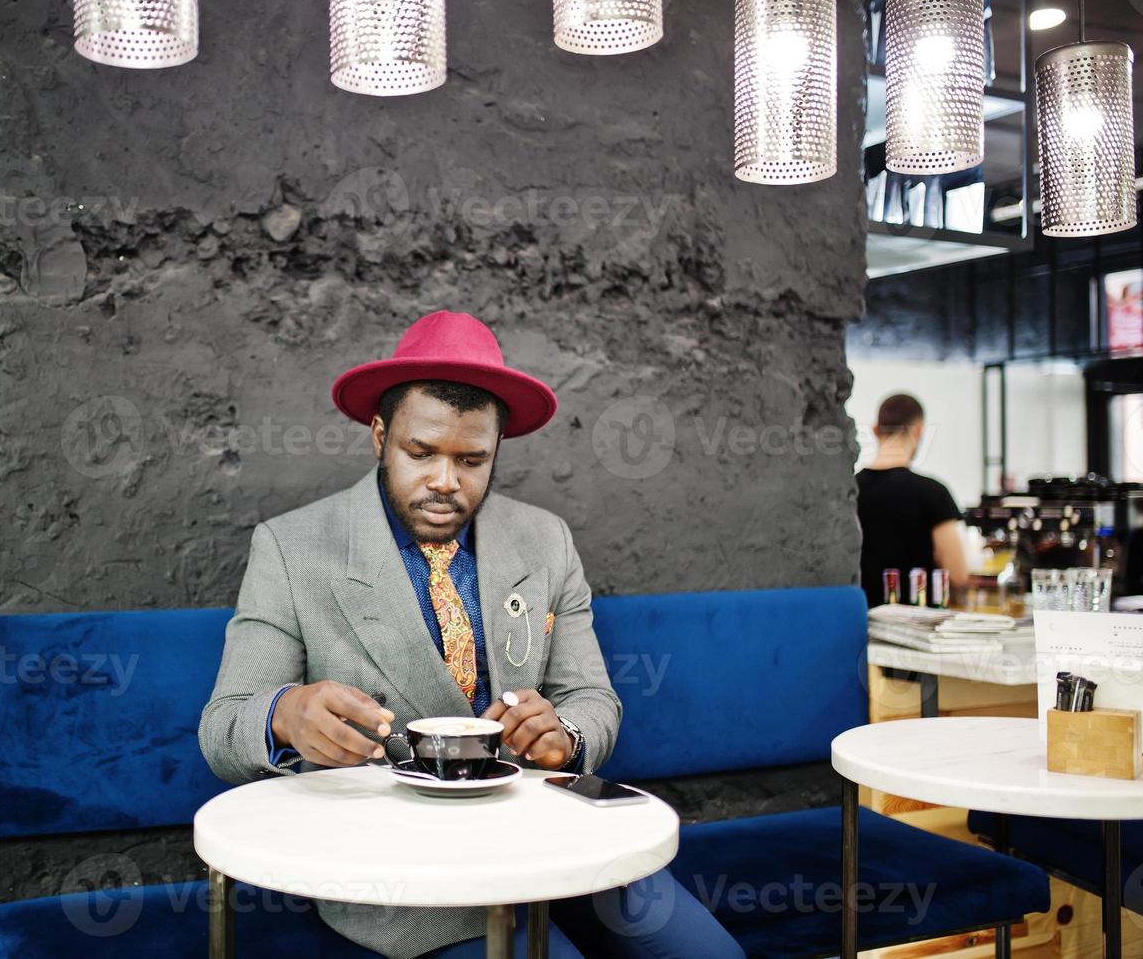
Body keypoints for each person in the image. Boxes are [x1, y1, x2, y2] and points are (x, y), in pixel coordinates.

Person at [199, 311, 743, 959]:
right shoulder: (293, 547)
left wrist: (562, 737)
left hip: (554, 834)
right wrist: (286, 715)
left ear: (496, 452)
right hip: (401, 870)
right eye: (420, 452)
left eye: (471, 459)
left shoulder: (544, 539)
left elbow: (592, 699)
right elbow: (223, 728)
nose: (445, 481)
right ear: (379, 436)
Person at [857, 393, 968, 607]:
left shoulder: (848, 491)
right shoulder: (933, 493)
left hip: (859, 621)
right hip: (918, 625)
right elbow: (958, 574)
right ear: (919, 430)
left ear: (874, 430)